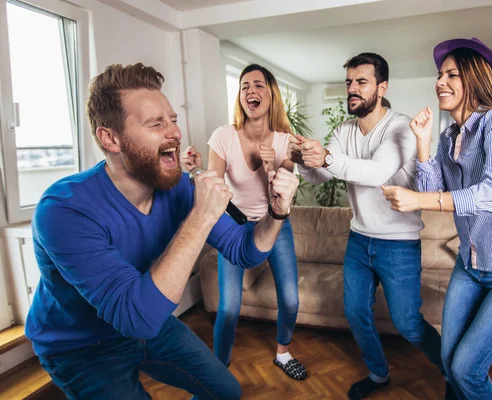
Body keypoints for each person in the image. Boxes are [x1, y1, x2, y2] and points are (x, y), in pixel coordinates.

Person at [24, 62, 299, 400]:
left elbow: (247, 251)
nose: (175, 133)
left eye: (173, 120)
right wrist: (200, 217)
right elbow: (135, 319)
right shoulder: (64, 209)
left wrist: (277, 210)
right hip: (81, 345)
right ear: (110, 138)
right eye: (156, 124)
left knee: (226, 390)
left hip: (149, 319)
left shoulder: (178, 189)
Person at [382, 38, 492, 400]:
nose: (440, 81)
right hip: (470, 266)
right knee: (448, 358)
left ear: (475, 78)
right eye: (440, 74)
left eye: (451, 74)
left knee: (466, 369)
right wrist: (423, 141)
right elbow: (430, 188)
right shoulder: (447, 136)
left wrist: (420, 198)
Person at [289, 53, 445, 400]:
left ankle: (453, 371)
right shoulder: (344, 130)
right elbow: (322, 173)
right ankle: (378, 374)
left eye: (361, 82)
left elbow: (376, 172)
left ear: (381, 87)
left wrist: (328, 157)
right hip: (360, 239)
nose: (352, 89)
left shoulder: (401, 127)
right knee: (356, 313)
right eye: (349, 82)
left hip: (398, 243)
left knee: (407, 323)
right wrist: (304, 160)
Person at [182, 64, 307, 380]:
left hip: (275, 224)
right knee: (227, 308)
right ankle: (219, 368)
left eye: (259, 85)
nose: (251, 91)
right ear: (239, 97)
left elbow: (283, 197)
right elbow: (213, 186)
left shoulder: (285, 142)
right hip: (235, 228)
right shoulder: (223, 136)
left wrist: (270, 169)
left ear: (271, 94)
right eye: (244, 86)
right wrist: (195, 170)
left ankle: (283, 352)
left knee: (291, 300)